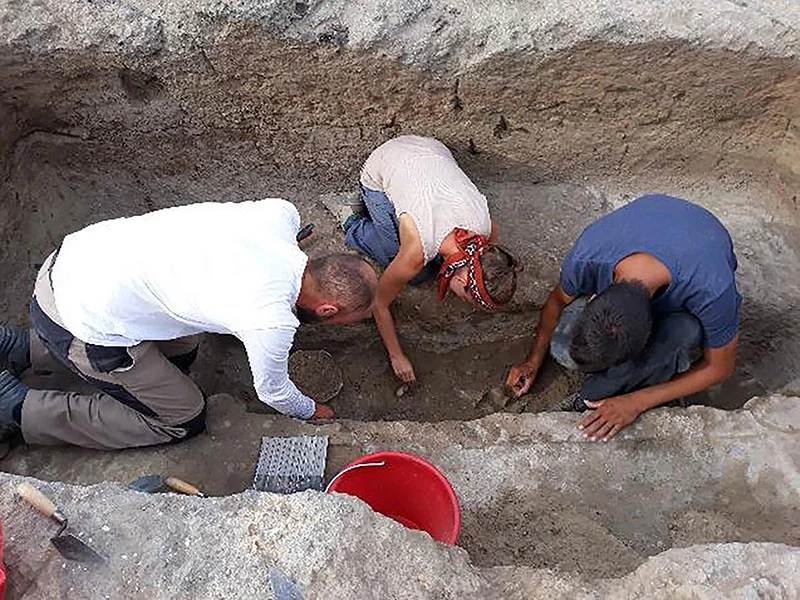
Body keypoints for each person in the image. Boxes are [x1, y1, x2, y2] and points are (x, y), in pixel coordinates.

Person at [0, 199, 378, 450]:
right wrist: (311, 410)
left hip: (73, 261)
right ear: (327, 310)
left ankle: (20, 348)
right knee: (184, 418)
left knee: (186, 346)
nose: (340, 326)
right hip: (80, 321)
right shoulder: (271, 321)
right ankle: (19, 407)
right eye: (344, 320)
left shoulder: (280, 214)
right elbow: (274, 393)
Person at [506, 195, 741, 442]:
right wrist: (533, 360)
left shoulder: (713, 291)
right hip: (660, 224)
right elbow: (556, 302)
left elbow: (721, 367)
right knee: (564, 349)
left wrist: (636, 402)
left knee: (684, 333)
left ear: (650, 330)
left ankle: (592, 395)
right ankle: (622, 379)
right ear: (594, 298)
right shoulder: (588, 256)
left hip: (698, 253)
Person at [324, 135, 520, 383]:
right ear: (465, 281)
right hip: (382, 167)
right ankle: (350, 217)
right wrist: (397, 356)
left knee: (427, 268)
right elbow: (379, 303)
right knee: (410, 268)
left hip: (433, 149)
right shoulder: (417, 249)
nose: (460, 300)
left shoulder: (485, 232)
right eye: (464, 297)